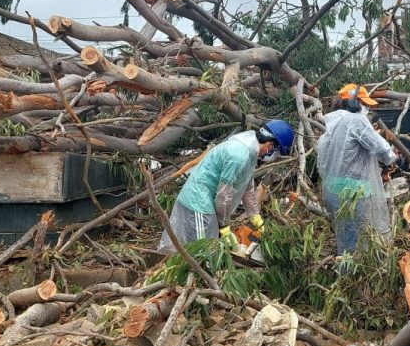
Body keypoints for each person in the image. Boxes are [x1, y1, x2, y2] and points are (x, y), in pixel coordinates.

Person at [158, 119, 294, 251]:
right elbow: (224, 195)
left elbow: (247, 187)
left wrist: (255, 216)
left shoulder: (250, 151)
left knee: (203, 250)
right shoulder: (239, 155)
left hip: (206, 201)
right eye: (276, 153)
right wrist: (224, 226)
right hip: (197, 203)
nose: (273, 158)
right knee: (202, 253)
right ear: (270, 145)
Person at [317, 84, 397, 255]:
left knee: (344, 238)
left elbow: (322, 164)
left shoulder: (332, 126)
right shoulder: (355, 120)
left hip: (332, 190)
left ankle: (347, 272)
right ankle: (350, 277)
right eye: (364, 103)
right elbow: (383, 150)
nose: (366, 108)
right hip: (352, 192)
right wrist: (393, 157)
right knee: (355, 241)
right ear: (354, 104)